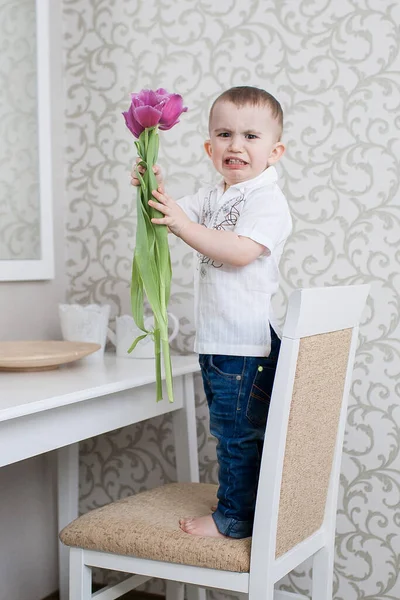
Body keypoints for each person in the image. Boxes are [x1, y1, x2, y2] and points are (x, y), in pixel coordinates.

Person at [131, 86, 292, 539]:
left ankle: (235, 518)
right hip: (221, 344)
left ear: (274, 151)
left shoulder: (266, 200)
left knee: (238, 437)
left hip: (246, 345)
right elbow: (172, 212)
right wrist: (152, 186)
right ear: (209, 146)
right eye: (224, 134)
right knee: (231, 431)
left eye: (250, 136)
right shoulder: (216, 194)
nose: (235, 145)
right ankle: (241, 509)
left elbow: (240, 251)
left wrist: (184, 225)